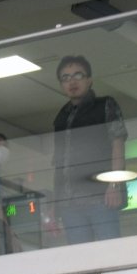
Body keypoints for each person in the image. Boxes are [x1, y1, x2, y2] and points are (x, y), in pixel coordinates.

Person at [52, 55, 128, 244]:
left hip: (100, 196)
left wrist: (114, 185)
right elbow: (59, 163)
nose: (72, 81)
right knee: (80, 259)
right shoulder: (61, 116)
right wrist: (55, 203)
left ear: (89, 80)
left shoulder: (105, 105)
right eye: (65, 78)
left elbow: (117, 146)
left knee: (110, 250)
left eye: (78, 75)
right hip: (69, 202)